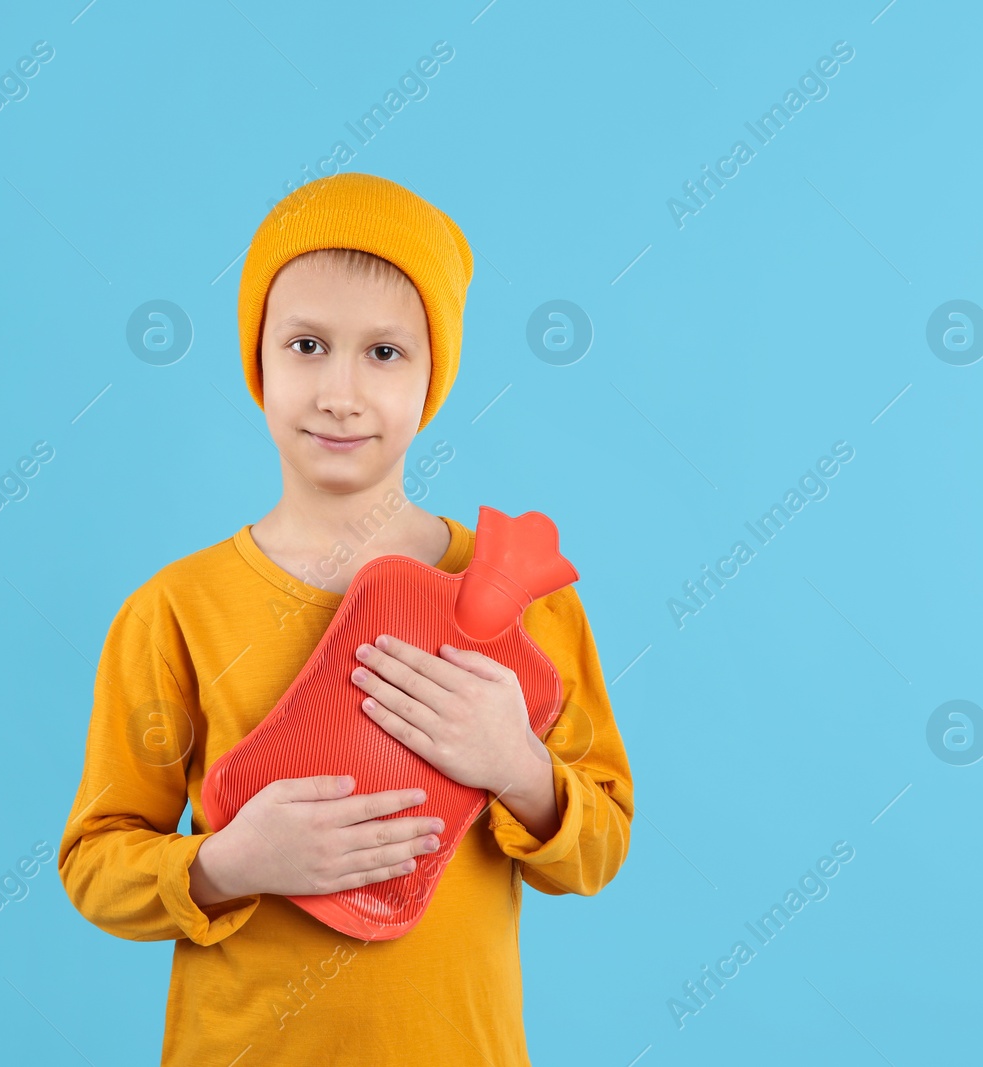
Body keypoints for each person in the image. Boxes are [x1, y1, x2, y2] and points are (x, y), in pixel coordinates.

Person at [56, 171, 634, 1064]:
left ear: (435, 372)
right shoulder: (173, 610)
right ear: (259, 359)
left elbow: (599, 848)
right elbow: (94, 863)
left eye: (386, 353)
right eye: (307, 344)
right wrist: (230, 863)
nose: (341, 391)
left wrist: (516, 765)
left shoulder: (526, 599)